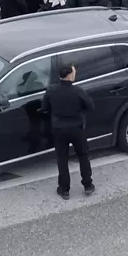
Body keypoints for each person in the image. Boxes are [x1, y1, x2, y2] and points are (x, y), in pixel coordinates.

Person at [41, 63, 96, 200]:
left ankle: (64, 189)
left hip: (59, 129)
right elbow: (91, 106)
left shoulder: (51, 90)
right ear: (70, 75)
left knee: (62, 159)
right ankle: (88, 185)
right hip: (77, 128)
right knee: (83, 156)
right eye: (74, 71)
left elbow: (44, 107)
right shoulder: (77, 91)